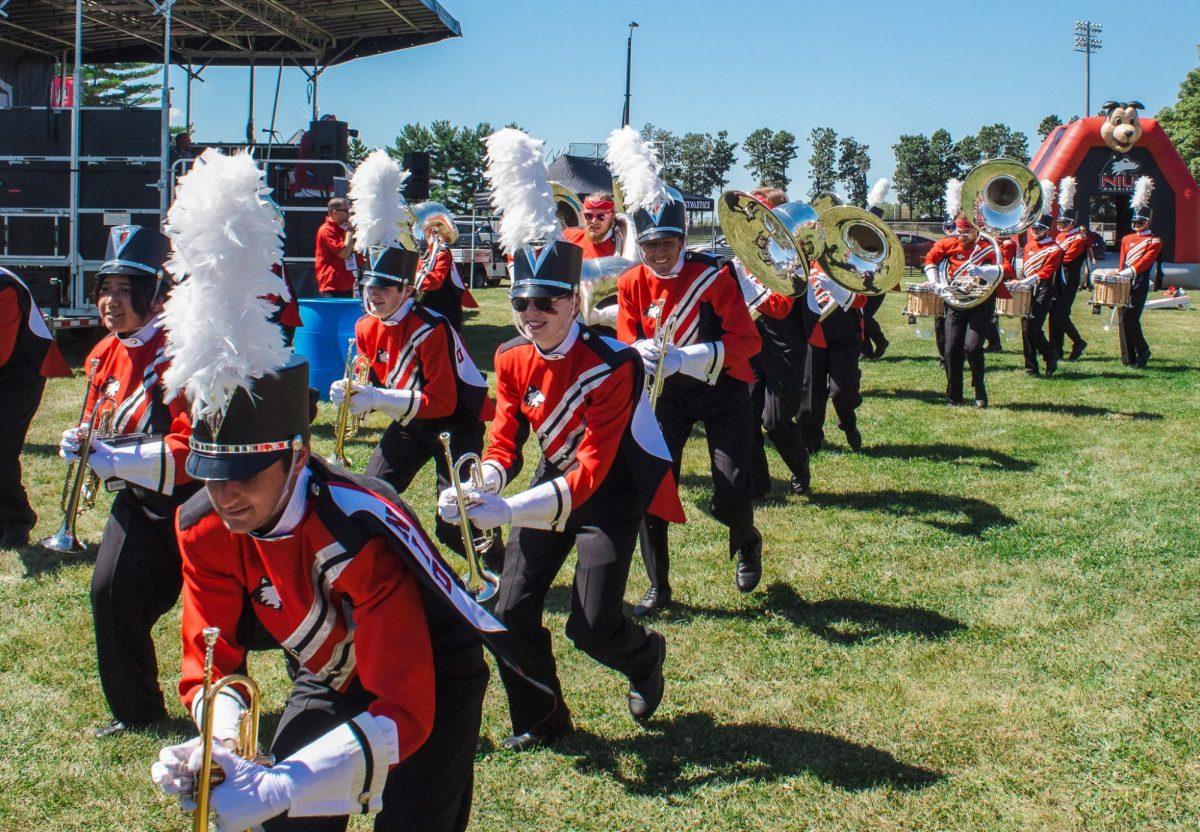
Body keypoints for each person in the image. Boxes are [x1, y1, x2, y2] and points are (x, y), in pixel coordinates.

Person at [147, 148, 529, 832]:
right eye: (212, 477)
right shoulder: (203, 525)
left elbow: (404, 710)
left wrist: (278, 784)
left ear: (294, 458)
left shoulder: (357, 530)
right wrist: (217, 740)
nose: (225, 496)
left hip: (430, 680)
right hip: (327, 666)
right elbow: (211, 655)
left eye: (243, 476)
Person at [435, 127, 682, 752]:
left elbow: (595, 468)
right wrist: (484, 480)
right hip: (553, 482)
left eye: (547, 301)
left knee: (592, 626)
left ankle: (644, 655)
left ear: (574, 300)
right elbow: (504, 439)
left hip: (611, 491)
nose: (531, 313)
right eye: (522, 302)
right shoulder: (514, 356)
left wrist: (510, 508)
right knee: (510, 610)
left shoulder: (613, 363)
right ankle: (543, 720)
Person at [608, 125, 763, 616]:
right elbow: (628, 335)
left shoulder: (713, 275)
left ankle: (746, 537)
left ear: (682, 238)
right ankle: (659, 585)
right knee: (652, 484)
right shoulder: (632, 280)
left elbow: (747, 341)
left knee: (732, 484)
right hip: (665, 395)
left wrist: (686, 357)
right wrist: (641, 352)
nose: (659, 252)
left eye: (667, 242)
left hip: (721, 389)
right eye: (650, 243)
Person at [55, 226, 200, 738]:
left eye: (125, 290)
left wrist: (112, 460)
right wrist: (81, 437)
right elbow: (105, 418)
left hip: (198, 502)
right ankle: (137, 711)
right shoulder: (100, 354)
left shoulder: (183, 356)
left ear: (157, 295)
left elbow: (194, 453)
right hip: (139, 498)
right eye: (105, 290)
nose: (111, 303)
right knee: (110, 592)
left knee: (229, 616)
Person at [330, 242, 499, 569]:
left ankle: (500, 571)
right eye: (369, 284)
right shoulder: (365, 326)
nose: (373, 293)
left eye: (384, 286)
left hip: (456, 426)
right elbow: (373, 379)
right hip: (410, 424)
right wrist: (353, 393)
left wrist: (377, 398)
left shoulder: (432, 327)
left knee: (455, 522)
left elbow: (443, 402)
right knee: (371, 499)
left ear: (407, 290)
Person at [737, 186, 810, 497]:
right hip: (752, 343)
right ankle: (759, 484)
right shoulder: (750, 250)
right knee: (747, 418)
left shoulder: (794, 257)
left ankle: (800, 467)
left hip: (784, 345)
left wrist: (745, 283)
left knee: (776, 421)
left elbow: (780, 308)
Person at [0, 267, 70, 547]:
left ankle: (19, 519)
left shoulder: (4, 285)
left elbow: (1, 351)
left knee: (1, 453)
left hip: (19, 377)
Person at [924, 215, 1004, 408]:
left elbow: (1004, 270)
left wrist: (983, 271)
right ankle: (954, 395)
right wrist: (935, 283)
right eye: (960, 232)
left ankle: (979, 388)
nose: (963, 236)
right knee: (951, 349)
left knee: (973, 346)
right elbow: (930, 259)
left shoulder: (988, 245)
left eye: (967, 232)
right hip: (956, 301)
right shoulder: (949, 243)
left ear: (977, 230)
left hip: (981, 301)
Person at [799, 262, 867, 452]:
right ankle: (810, 442)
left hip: (845, 333)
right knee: (810, 393)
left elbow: (861, 299)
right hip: (815, 335)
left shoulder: (850, 263)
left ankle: (848, 423)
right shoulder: (805, 262)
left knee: (840, 392)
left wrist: (836, 289)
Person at [1110, 179, 1162, 368]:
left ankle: (1143, 350)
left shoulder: (1154, 241)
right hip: (1124, 280)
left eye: (1140, 221)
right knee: (1123, 318)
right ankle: (1128, 358)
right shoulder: (1126, 238)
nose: (1137, 224)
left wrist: (1126, 273)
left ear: (1148, 222)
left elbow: (1144, 263)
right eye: (1135, 221)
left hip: (1139, 281)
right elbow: (1123, 260)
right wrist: (1119, 273)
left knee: (1132, 318)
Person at [1017, 203, 1063, 377]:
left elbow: (1045, 273)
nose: (1035, 230)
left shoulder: (1055, 249)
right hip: (1027, 290)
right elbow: (1026, 270)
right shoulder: (1028, 246)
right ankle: (1031, 366)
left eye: (1040, 228)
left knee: (1033, 327)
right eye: (1033, 227)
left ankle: (1050, 355)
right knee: (1025, 328)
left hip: (1043, 290)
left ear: (1047, 230)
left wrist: (1025, 282)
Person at [414, 211, 477, 332]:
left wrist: (406, 277)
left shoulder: (442, 252)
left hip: (443, 310)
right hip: (427, 309)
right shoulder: (424, 253)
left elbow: (433, 282)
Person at [1051, 177, 1089, 361]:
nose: (1062, 226)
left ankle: (1078, 341)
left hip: (1068, 279)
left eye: (1065, 223)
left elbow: (1066, 259)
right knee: (1054, 314)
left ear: (1073, 222)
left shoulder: (1079, 239)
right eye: (1060, 223)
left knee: (1060, 314)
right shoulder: (1059, 237)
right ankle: (1056, 349)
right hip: (1056, 279)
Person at [314, 198, 360, 298]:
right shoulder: (327, 230)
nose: (349, 215)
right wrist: (349, 231)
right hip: (332, 286)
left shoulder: (342, 228)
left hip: (346, 284)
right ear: (334, 213)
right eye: (346, 211)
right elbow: (344, 253)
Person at [561, 193, 627, 259]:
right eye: (588, 216)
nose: (593, 221)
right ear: (582, 216)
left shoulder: (621, 250)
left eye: (601, 216)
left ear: (612, 217)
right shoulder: (568, 236)